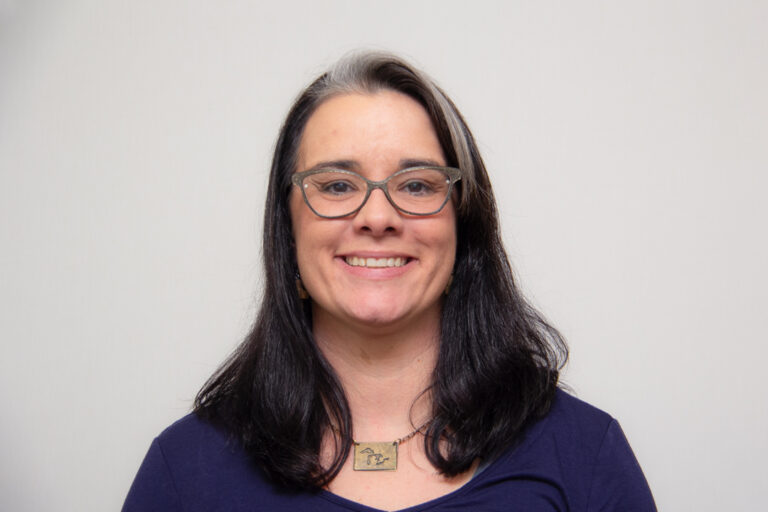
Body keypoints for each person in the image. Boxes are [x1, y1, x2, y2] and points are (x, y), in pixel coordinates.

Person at [123, 51, 656, 511]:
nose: (377, 217)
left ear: (463, 225)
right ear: (286, 228)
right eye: (336, 184)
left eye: (417, 184)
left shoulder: (584, 454)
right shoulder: (183, 472)